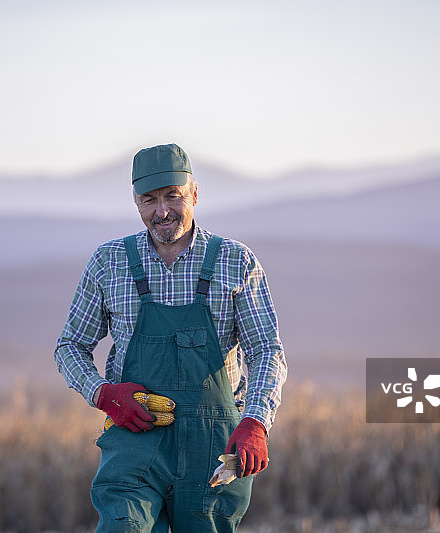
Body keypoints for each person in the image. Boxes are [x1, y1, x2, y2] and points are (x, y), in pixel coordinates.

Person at [54, 143, 287, 532]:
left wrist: (256, 422)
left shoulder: (236, 261)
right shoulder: (109, 262)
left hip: (214, 448)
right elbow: (70, 347)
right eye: (149, 200)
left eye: (172, 196)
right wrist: (104, 394)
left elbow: (266, 351)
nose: (161, 211)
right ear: (136, 202)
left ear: (194, 194)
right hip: (135, 440)